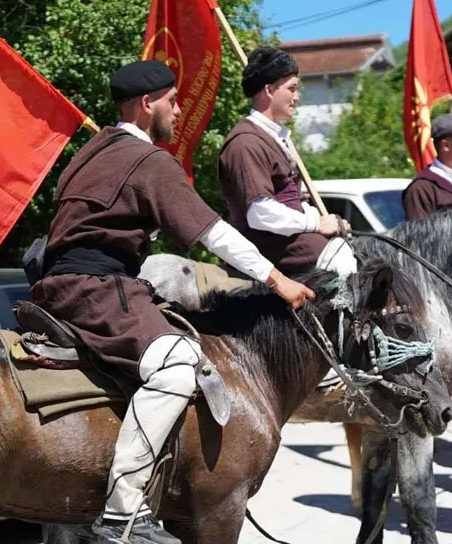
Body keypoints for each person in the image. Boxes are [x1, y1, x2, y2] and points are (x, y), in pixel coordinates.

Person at [32, 60, 315, 544]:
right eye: (173, 101)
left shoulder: (90, 152)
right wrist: (276, 279)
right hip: (97, 289)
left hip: (57, 284)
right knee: (178, 363)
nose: (179, 111)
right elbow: (214, 234)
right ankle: (123, 513)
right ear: (148, 105)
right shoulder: (147, 161)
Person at [218, 46, 357, 276]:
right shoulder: (246, 142)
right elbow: (260, 213)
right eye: (292, 89)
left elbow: (291, 202)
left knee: (362, 253)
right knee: (340, 260)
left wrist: (327, 220)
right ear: (269, 90)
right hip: (265, 248)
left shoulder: (274, 137)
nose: (297, 97)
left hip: (289, 241)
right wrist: (316, 225)